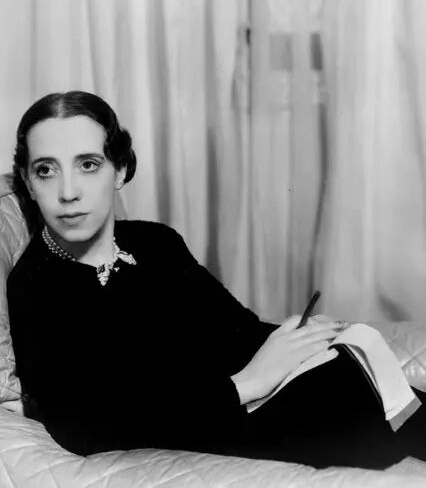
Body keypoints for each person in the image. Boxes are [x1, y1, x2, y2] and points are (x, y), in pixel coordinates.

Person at [6, 91, 426, 469]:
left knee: (353, 366)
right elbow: (84, 426)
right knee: (354, 404)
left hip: (244, 402)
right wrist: (247, 384)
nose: (68, 192)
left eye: (88, 165)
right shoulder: (34, 284)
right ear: (28, 181)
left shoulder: (156, 242)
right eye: (46, 170)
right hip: (206, 426)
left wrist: (296, 339)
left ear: (119, 171)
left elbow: (237, 329)